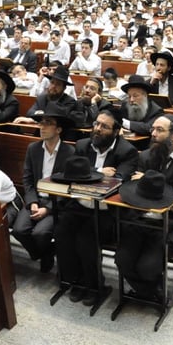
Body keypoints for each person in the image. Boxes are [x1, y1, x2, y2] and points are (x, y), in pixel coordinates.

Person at [53, 109, 140, 304]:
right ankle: (75, 281)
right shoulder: (83, 145)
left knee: (86, 239)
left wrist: (90, 175)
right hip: (80, 204)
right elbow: (72, 173)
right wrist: (100, 172)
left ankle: (95, 286)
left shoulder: (127, 152)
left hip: (107, 212)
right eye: (97, 124)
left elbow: (118, 182)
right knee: (61, 233)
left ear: (116, 131)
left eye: (104, 126)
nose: (98, 129)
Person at [115, 114, 173, 301]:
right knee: (122, 260)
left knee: (147, 267)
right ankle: (154, 293)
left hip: (169, 222)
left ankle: (152, 290)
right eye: (152, 129)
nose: (153, 134)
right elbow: (133, 189)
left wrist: (146, 182)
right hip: (141, 218)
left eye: (159, 130)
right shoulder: (146, 155)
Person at [11, 104, 73, 273]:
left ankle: (44, 253)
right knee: (19, 230)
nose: (42, 126)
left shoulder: (70, 153)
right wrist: (32, 202)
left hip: (55, 203)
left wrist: (48, 209)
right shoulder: (34, 149)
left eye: (48, 123)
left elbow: (68, 188)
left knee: (40, 233)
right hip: (36, 198)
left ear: (59, 129)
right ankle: (44, 253)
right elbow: (28, 179)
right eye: (41, 123)